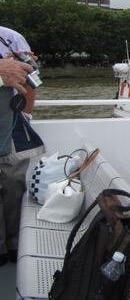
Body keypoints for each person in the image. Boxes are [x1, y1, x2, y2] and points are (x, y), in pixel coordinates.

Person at [0, 26, 43, 267]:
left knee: (14, 186)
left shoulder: (11, 37)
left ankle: (15, 246)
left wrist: (25, 116)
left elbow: (31, 80)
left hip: (11, 127)